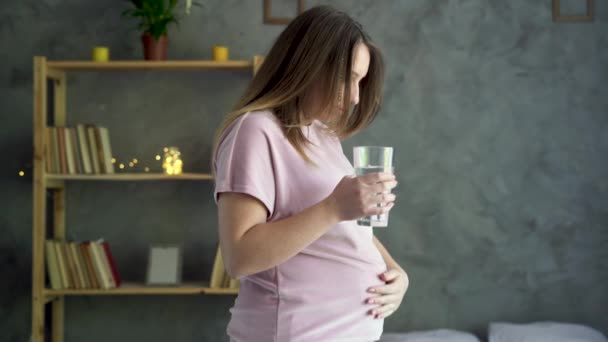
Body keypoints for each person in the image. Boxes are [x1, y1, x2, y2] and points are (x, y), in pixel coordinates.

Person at [212, 5, 408, 342]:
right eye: (349, 78)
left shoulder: (321, 136)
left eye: (360, 81)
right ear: (309, 64)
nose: (355, 97)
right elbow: (239, 256)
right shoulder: (255, 130)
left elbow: (343, 226)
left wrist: (395, 270)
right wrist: (333, 206)